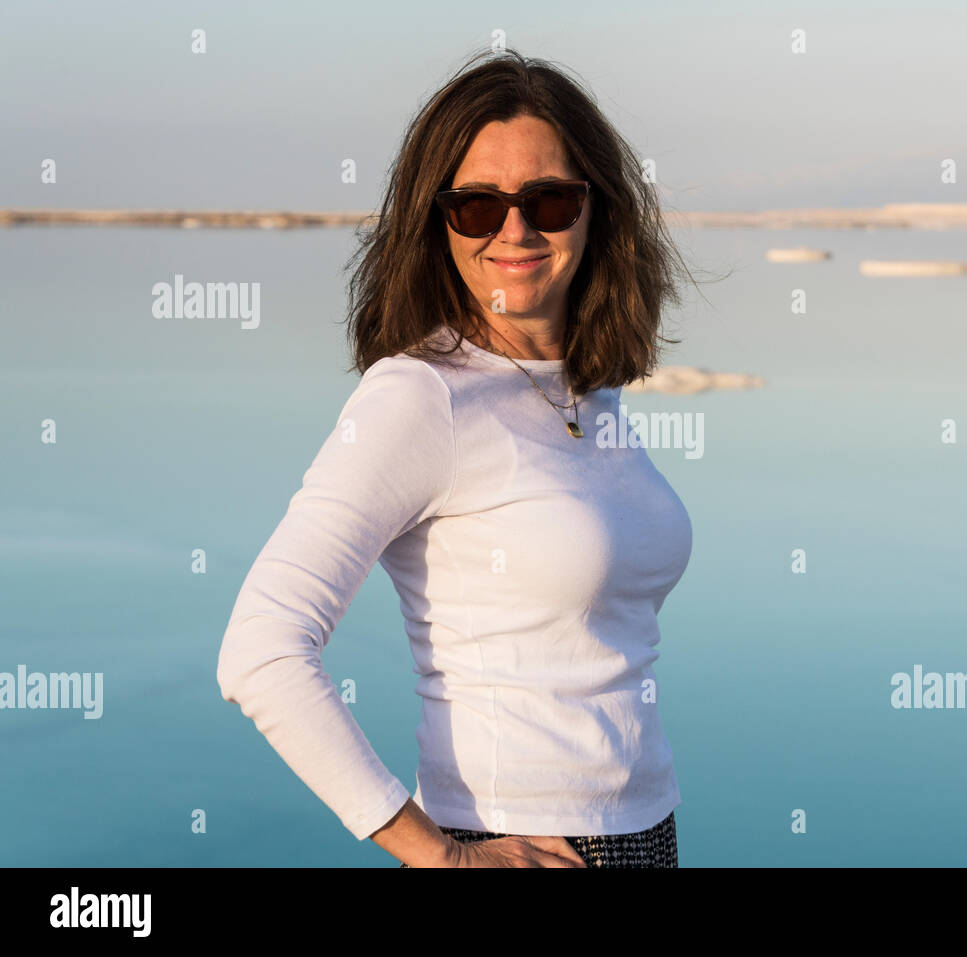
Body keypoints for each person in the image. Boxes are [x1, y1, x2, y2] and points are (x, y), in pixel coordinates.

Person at [215, 48, 701, 868]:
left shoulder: (586, 391)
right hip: (515, 841)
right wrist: (439, 856)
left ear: (595, 211)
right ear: (437, 224)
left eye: (549, 199)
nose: (515, 230)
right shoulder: (420, 396)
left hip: (647, 834)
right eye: (476, 206)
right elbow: (260, 649)